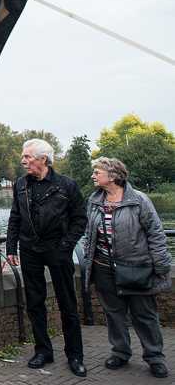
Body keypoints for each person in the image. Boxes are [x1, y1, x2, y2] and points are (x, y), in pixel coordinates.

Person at [82, 157, 171, 379]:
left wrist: (161, 266)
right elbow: (88, 234)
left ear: (112, 176)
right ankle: (120, 352)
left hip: (136, 267)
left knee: (145, 315)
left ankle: (155, 357)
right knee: (114, 314)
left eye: (97, 172)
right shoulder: (94, 200)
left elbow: (156, 234)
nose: (93, 175)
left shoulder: (139, 200)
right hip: (103, 268)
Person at [6, 138, 88, 377]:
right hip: (30, 249)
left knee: (67, 303)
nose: (23, 160)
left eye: (27, 156)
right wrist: (11, 248)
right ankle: (43, 351)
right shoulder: (20, 184)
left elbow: (80, 219)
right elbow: (15, 217)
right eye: (24, 156)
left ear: (43, 159)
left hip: (58, 249)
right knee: (34, 302)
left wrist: (65, 246)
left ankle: (75, 355)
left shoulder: (67, 185)